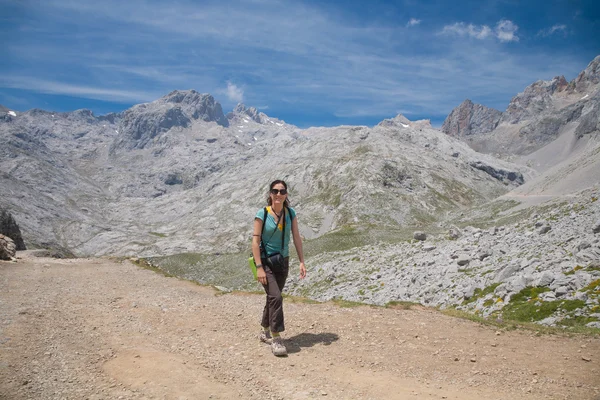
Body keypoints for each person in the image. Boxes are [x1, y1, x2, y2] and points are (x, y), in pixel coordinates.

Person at [251, 180, 307, 356]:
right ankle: (276, 338)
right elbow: (255, 241)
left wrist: (301, 261)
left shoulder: (290, 213)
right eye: (275, 191)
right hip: (266, 262)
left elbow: (296, 237)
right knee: (276, 296)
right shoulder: (262, 214)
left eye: (282, 191)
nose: (278, 194)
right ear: (270, 194)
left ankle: (264, 330)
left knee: (273, 297)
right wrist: (259, 267)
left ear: (286, 195)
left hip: (283, 261)